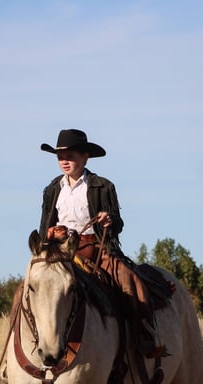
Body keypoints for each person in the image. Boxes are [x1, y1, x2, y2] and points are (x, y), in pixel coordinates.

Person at [38, 129, 165, 359]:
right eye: (60, 157)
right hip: (60, 251)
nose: (65, 161)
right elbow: (42, 230)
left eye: (71, 156)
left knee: (128, 279)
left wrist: (108, 220)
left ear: (85, 157)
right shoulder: (52, 190)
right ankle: (18, 351)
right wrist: (50, 233)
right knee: (29, 287)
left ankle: (146, 334)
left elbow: (117, 223)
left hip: (95, 247)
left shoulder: (103, 186)